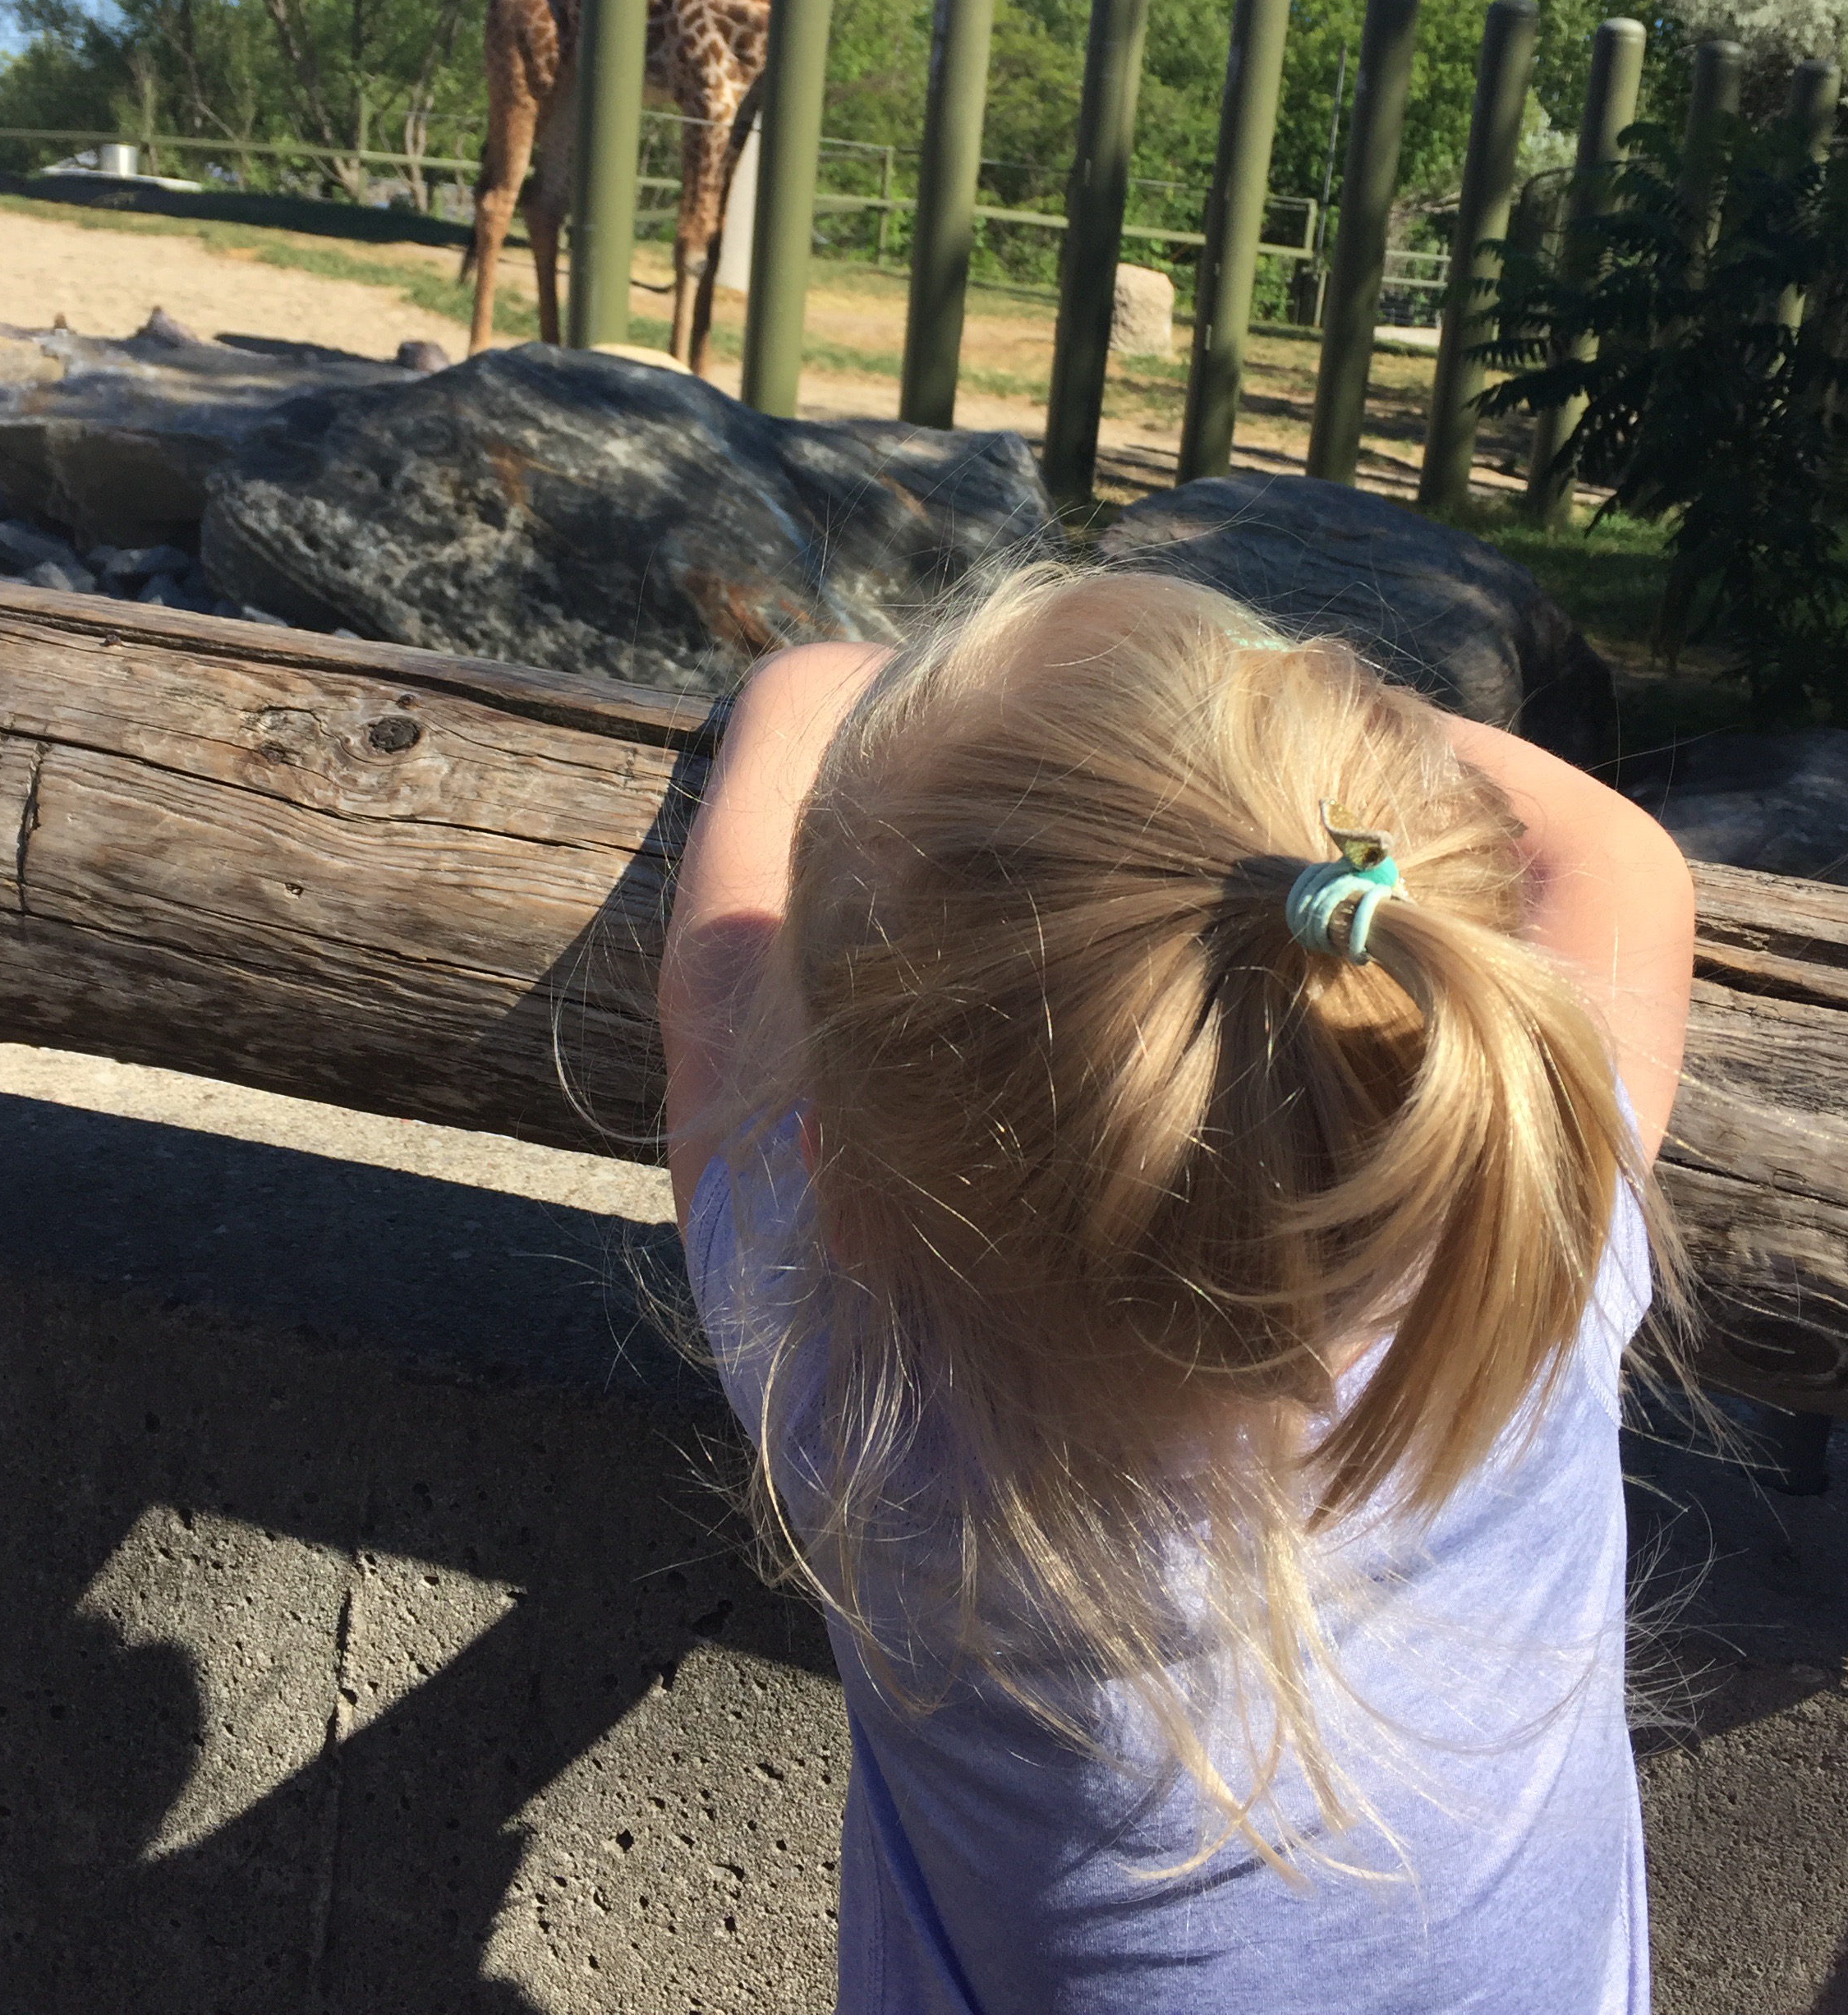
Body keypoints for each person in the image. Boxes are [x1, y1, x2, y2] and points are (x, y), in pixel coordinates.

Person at [659, 564, 1696, 2015]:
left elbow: (724, 956)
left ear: (842, 1181)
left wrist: (804, 682)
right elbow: (1617, 857)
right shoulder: (1524, 1264)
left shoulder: (855, 1393)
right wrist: (1296, 744)